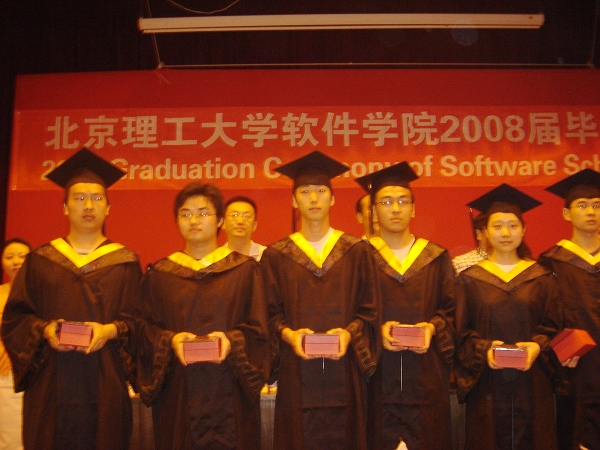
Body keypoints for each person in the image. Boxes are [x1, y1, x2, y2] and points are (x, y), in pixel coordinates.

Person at [1, 148, 142, 449]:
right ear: (65, 207)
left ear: (108, 208)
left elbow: (140, 322)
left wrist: (110, 330)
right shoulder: (40, 260)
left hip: (105, 380)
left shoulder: (125, 262)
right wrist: (46, 330)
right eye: (79, 198)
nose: (88, 205)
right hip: (51, 381)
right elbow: (15, 318)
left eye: (96, 198)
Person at [261, 150, 381, 450]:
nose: (313, 198)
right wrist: (289, 335)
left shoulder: (356, 251)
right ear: (294, 201)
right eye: (305, 192)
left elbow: (370, 309)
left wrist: (349, 333)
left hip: (345, 368)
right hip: (296, 371)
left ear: (333, 199)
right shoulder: (276, 255)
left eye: (321, 191)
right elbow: (267, 312)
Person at [137, 182, 269, 449]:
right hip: (179, 394)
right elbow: (142, 328)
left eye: (203, 213)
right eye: (185, 214)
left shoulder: (245, 271)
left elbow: (260, 329)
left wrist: (231, 341)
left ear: (220, 220)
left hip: (231, 392)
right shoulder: (160, 275)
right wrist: (171, 340)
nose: (194, 220)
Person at [355, 162, 456, 450]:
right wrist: (376, 329)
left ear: (413, 209)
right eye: (386, 202)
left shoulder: (435, 257)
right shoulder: (359, 258)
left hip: (425, 376)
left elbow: (453, 311)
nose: (395, 209)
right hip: (377, 376)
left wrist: (432, 328)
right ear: (374, 212)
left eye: (403, 201)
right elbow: (348, 313)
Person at [455, 184, 562, 450]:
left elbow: (555, 327)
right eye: (497, 226)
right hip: (487, 384)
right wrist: (485, 349)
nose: (505, 233)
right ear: (485, 232)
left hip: (533, 382)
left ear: (524, 230)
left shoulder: (542, 277)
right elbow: (460, 333)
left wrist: (537, 346)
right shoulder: (469, 280)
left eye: (513, 226)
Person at [539, 169, 600, 450]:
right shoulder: (551, 262)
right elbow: (545, 316)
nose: (591, 212)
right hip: (577, 365)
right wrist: (560, 348)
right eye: (582, 205)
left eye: (597, 205)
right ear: (566, 214)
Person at [0, 238, 31, 450]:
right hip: (5, 373)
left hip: (35, 372)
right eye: (9, 257)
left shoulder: (42, 296)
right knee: (10, 436)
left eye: (22, 256)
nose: (16, 261)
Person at [223, 195, 267, 261]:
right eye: (234, 215)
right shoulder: (215, 259)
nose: (240, 221)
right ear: (223, 223)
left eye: (247, 216)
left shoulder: (266, 256)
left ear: (254, 225)